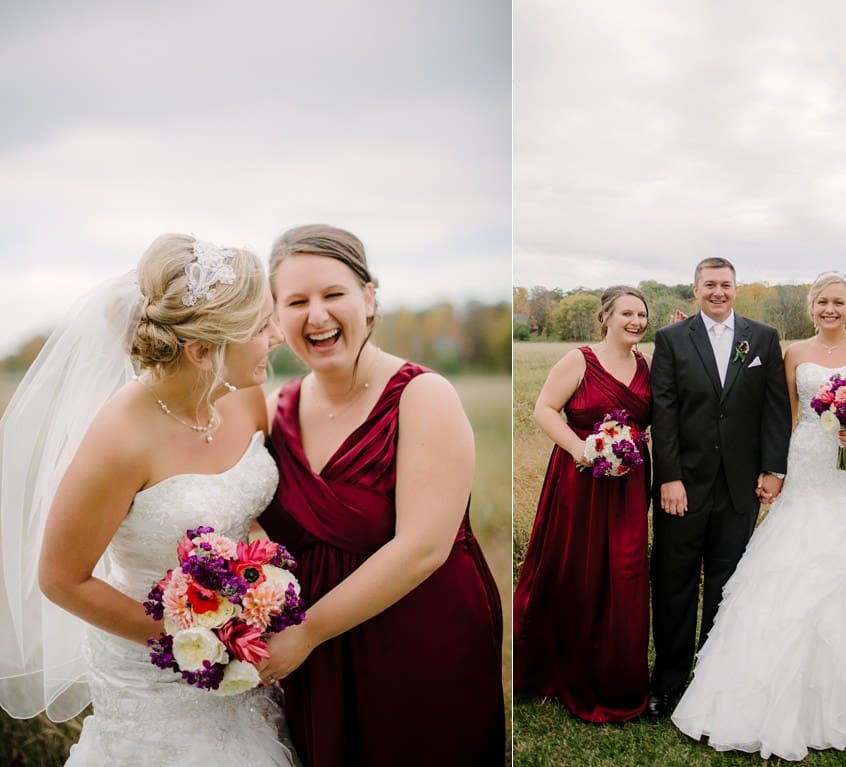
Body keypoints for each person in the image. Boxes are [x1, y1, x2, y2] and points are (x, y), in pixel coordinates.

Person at [0, 234, 298, 764]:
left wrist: (256, 586)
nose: (279, 335)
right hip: (152, 674)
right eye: (260, 327)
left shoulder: (247, 394)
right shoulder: (120, 439)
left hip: (247, 664)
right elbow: (61, 578)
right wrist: (199, 637)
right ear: (202, 350)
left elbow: (244, 509)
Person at [672, 272, 846, 761]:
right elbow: (782, 413)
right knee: (795, 558)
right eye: (822, 301)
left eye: (839, 302)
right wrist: (776, 470)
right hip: (807, 462)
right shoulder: (794, 353)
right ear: (811, 307)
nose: (830, 309)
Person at [256, 224, 505, 766]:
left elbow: (423, 548)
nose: (316, 315)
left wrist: (305, 635)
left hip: (416, 640)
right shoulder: (274, 409)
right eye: (296, 301)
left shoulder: (423, 395)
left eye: (333, 294)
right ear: (276, 317)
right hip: (314, 662)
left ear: (369, 298)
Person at [647, 256, 790, 717]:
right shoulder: (671, 339)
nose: (718, 292)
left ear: (736, 288)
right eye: (709, 285)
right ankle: (668, 683)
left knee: (728, 584)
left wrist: (773, 468)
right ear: (695, 290)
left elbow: (774, 410)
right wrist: (668, 476)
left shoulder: (763, 338)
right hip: (682, 486)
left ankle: (714, 680)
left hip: (739, 487)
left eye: (725, 285)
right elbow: (663, 412)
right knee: (675, 585)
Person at [513, 285, 653, 722]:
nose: (635, 321)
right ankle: (557, 667)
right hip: (580, 479)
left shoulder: (645, 365)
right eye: (627, 313)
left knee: (625, 570)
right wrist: (583, 449)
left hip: (629, 484)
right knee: (577, 565)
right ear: (605, 317)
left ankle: (616, 676)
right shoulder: (580, 360)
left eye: (642, 315)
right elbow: (544, 409)